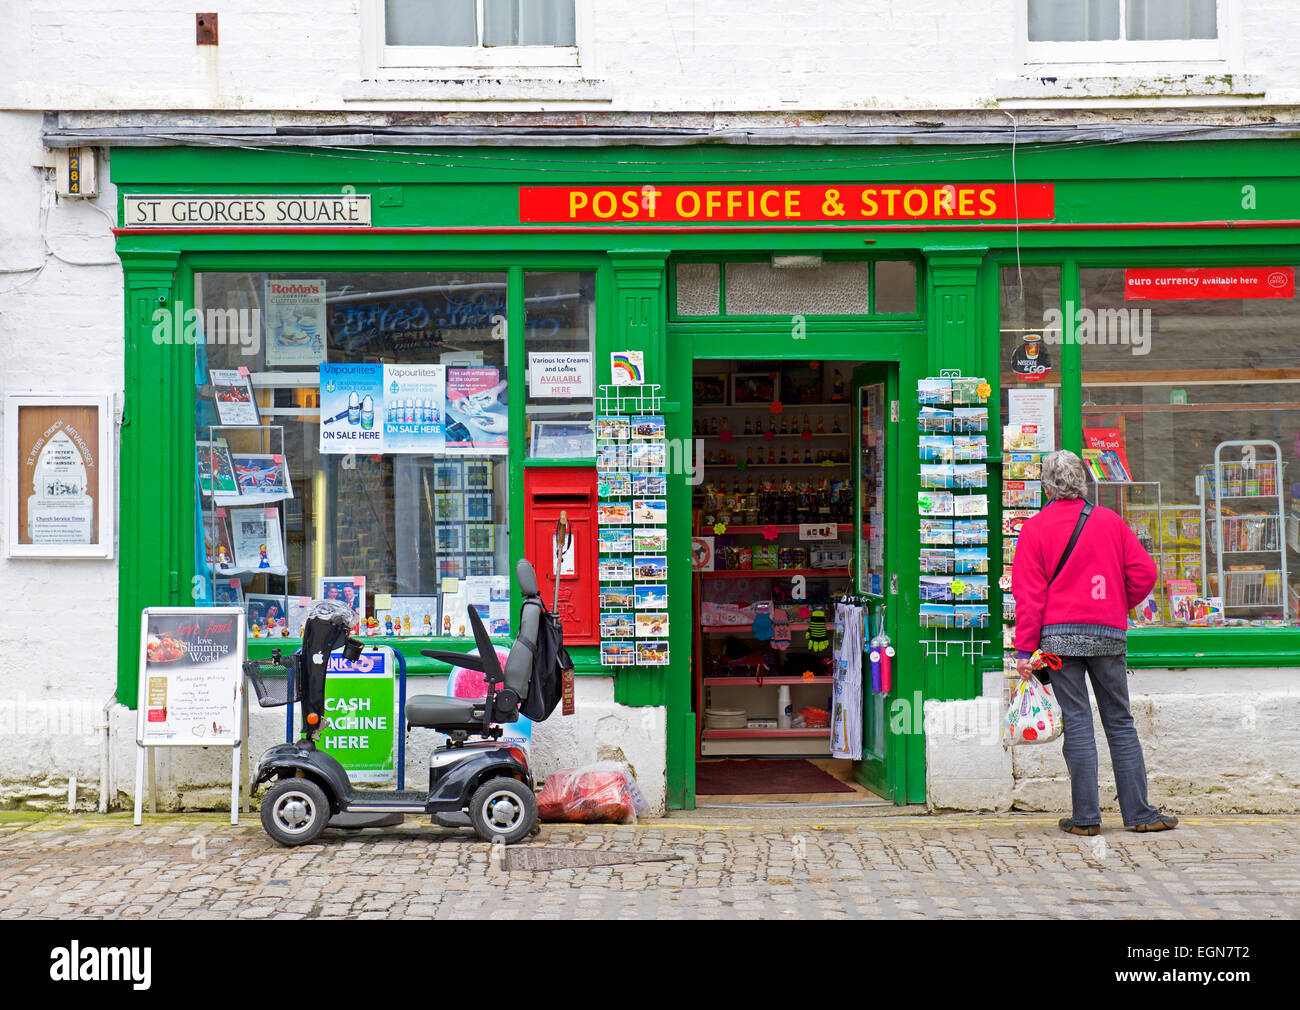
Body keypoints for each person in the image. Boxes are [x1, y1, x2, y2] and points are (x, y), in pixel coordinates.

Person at [1011, 450, 1178, 836]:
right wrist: (1119, 604)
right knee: (1119, 721)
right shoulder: (1109, 521)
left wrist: (1024, 651)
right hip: (1107, 634)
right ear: (1082, 482)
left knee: (1079, 722)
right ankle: (1139, 814)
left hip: (1059, 640)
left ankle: (1086, 818)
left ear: (1046, 486)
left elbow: (1029, 595)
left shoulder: (1035, 529)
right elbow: (1145, 572)